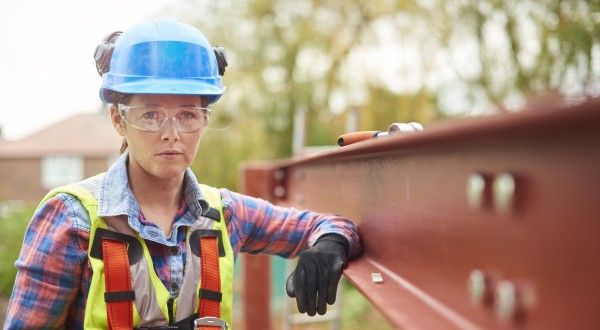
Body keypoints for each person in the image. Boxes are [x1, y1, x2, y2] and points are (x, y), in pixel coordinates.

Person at [3, 18, 361, 329]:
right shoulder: (71, 220)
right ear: (118, 120)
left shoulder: (225, 215)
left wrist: (331, 243)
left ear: (205, 120)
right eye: (151, 114)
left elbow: (330, 225)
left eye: (188, 114)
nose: (171, 133)